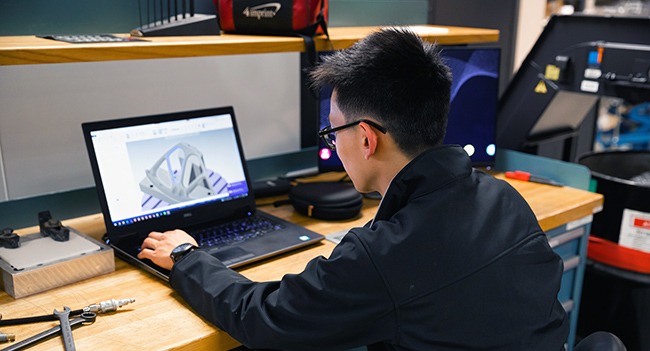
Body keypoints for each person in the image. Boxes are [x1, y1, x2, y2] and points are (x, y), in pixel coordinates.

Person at [138, 27, 569, 350]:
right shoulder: (506, 199)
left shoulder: (385, 255)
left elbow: (263, 318)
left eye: (332, 132)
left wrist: (185, 258)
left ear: (366, 138)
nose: (333, 143)